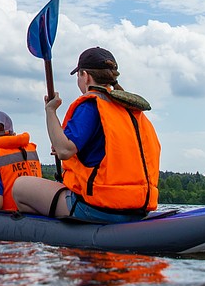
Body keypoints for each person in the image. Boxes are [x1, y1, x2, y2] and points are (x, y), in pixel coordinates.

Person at [12, 47, 160, 222]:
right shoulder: (129, 109)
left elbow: (64, 151)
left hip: (98, 208)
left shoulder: (91, 105)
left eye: (78, 76)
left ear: (86, 76)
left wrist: (50, 111)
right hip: (138, 208)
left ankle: (59, 230)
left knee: (20, 187)